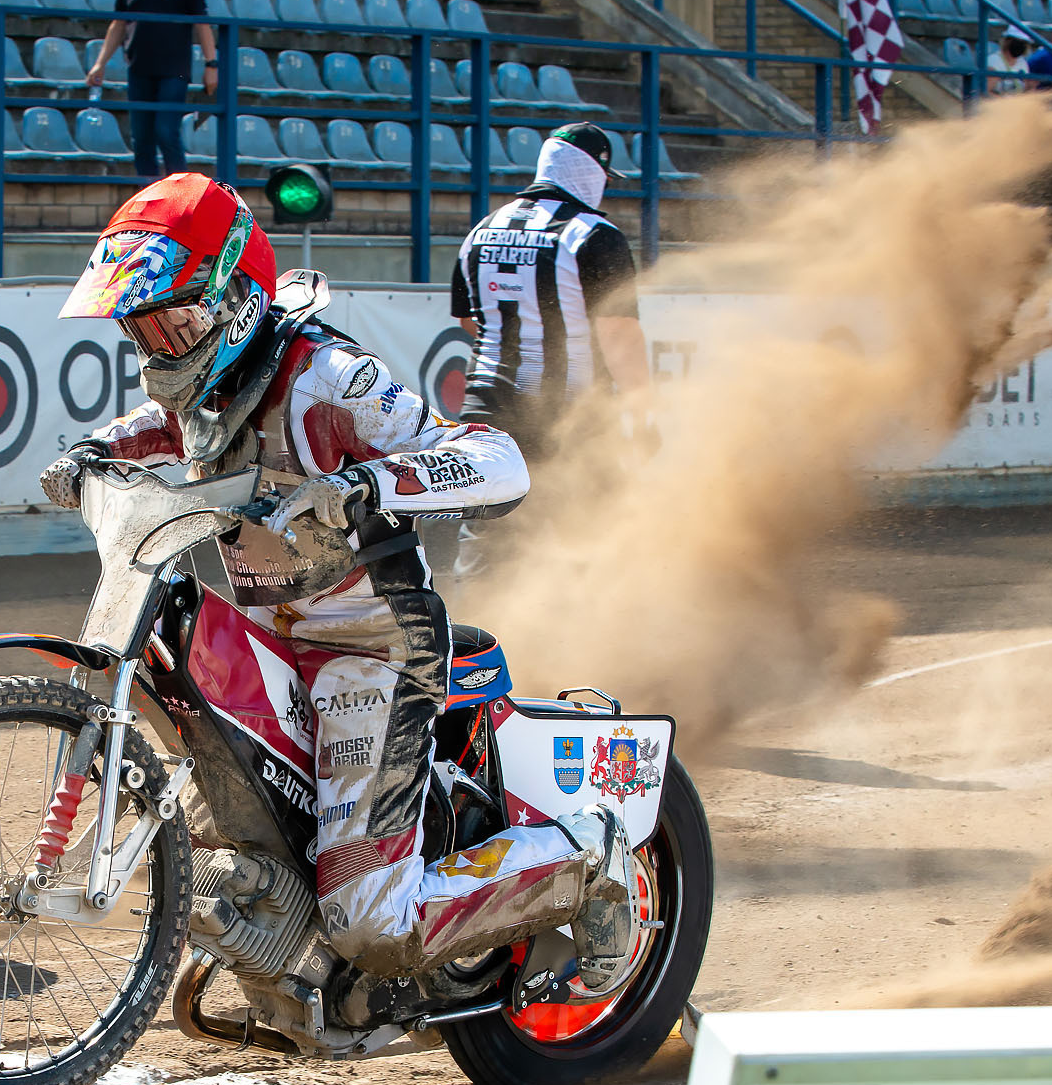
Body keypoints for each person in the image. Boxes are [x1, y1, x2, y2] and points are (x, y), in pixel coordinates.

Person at [40, 174, 638, 1001]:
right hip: (275, 639)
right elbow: (157, 428)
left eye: (176, 320)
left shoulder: (327, 374)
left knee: (373, 922)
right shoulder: (205, 387)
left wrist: (371, 486)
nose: (160, 346)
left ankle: (587, 857)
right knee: (221, 829)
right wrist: (89, 454)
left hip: (371, 644)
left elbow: (496, 459)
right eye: (144, 328)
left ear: (232, 297)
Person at [445, 120, 647, 581]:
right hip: (569, 407)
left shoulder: (482, 229)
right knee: (590, 521)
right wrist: (643, 409)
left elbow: (468, 320)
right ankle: (580, 631)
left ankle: (479, 638)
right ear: (592, 172)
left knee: (488, 529)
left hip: (488, 404)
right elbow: (620, 335)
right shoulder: (595, 235)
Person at [84, 0, 220, 183]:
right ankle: (148, 199)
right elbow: (118, 24)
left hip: (174, 69)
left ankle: (180, 195)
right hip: (139, 68)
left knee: (166, 131)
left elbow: (202, 23)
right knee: (141, 137)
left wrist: (211, 63)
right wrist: (100, 63)